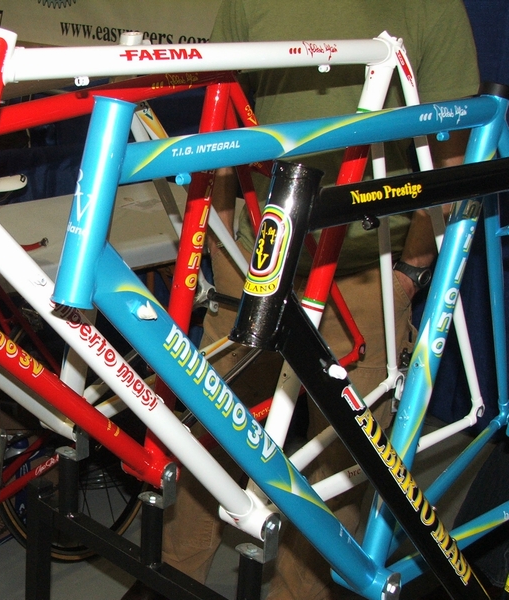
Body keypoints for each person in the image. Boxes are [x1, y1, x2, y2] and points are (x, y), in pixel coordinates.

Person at [122, 2, 480, 599]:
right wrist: (225, 248)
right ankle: (172, 577)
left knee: (339, 468)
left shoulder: (430, 8)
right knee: (212, 430)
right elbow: (225, 122)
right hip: (258, 261)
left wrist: (410, 273)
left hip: (364, 274)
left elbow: (453, 150)